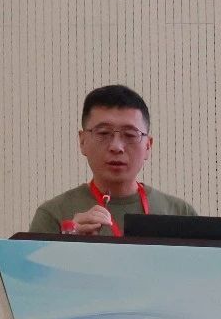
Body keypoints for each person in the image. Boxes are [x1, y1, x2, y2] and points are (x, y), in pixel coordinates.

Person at [29, 85, 196, 235]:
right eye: (103, 133)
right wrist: (68, 244)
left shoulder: (181, 213)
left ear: (148, 146)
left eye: (130, 135)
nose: (116, 147)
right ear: (83, 141)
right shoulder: (53, 215)